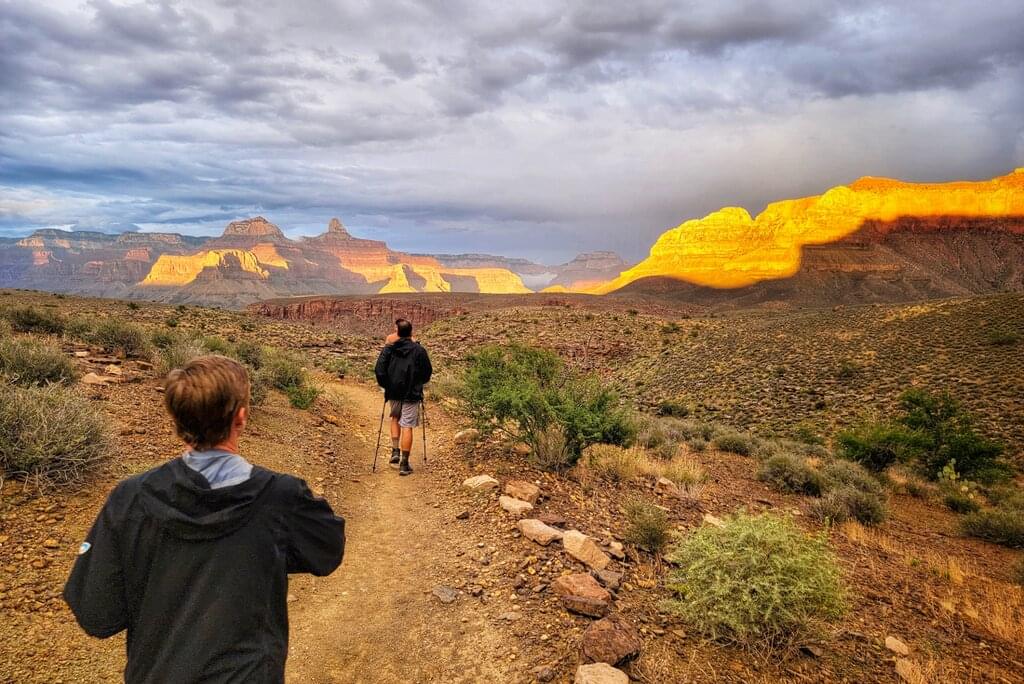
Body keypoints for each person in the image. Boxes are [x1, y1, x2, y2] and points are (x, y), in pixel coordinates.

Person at [63, 355, 345, 684]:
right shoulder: (281, 497)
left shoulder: (130, 498)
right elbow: (327, 551)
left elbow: (97, 615)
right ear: (241, 417)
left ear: (176, 418)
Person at [374, 318, 433, 476]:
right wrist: (419, 383)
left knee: (395, 417)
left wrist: (387, 385)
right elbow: (427, 372)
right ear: (411, 332)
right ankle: (404, 464)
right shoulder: (419, 350)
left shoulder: (390, 348)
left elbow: (379, 369)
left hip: (394, 391)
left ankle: (395, 451)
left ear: (397, 332)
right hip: (412, 393)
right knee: (407, 425)